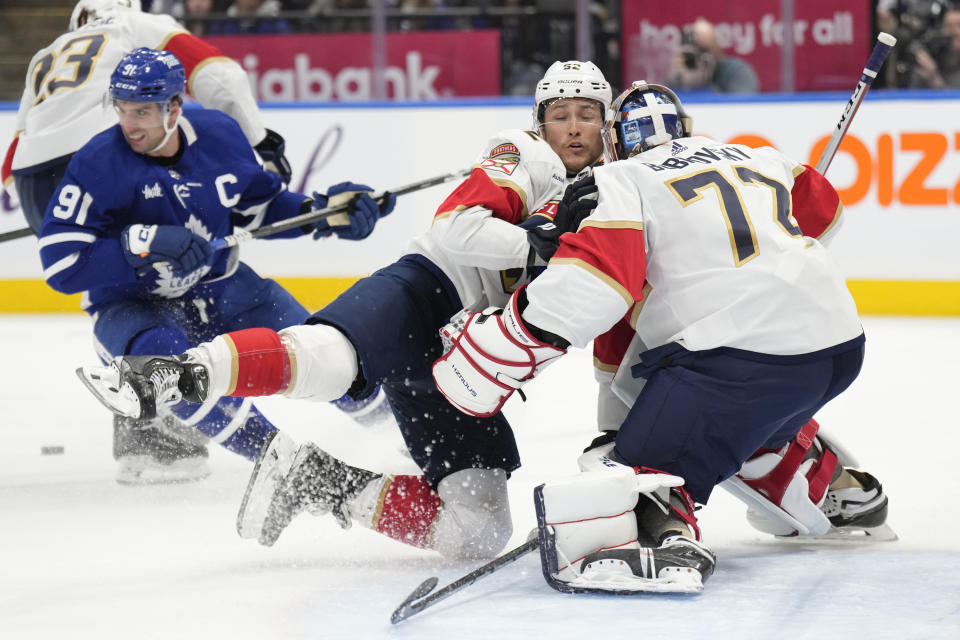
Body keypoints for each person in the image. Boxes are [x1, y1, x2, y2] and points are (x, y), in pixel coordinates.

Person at [76, 60, 613, 559]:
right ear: (538, 123)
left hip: (467, 368)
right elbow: (457, 227)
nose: (571, 127)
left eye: (585, 115)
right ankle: (184, 373)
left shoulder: (611, 190)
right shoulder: (526, 155)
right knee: (327, 357)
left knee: (479, 532)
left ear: (606, 124)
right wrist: (540, 246)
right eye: (558, 115)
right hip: (427, 295)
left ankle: (318, 479)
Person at [431, 80, 888, 592]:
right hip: (838, 348)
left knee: (628, 470)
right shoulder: (756, 155)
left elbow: (595, 286)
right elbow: (825, 216)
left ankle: (663, 536)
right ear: (685, 128)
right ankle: (842, 488)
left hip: (741, 361)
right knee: (751, 424)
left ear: (617, 140)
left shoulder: (622, 178)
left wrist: (503, 340)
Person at [43, 47, 395, 484]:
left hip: (228, 290)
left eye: (143, 112)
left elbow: (259, 209)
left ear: (174, 107)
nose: (129, 124)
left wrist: (320, 214)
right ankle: (288, 468)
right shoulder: (98, 163)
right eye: (123, 110)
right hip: (134, 308)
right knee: (169, 370)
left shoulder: (220, 136)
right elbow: (60, 264)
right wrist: (138, 244)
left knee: (323, 350)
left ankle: (401, 436)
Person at [2, 0, 291, 235]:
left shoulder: (44, 56)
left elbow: (10, 166)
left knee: (119, 283)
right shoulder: (135, 24)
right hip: (101, 164)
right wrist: (260, 141)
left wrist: (52, 210)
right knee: (180, 126)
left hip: (33, 188)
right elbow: (220, 78)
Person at [667, 18, 758, 94]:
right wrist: (679, 79)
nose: (698, 58)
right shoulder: (680, 72)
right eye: (693, 52)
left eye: (703, 50)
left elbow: (743, 107)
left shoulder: (736, 72)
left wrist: (703, 86)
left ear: (717, 48)